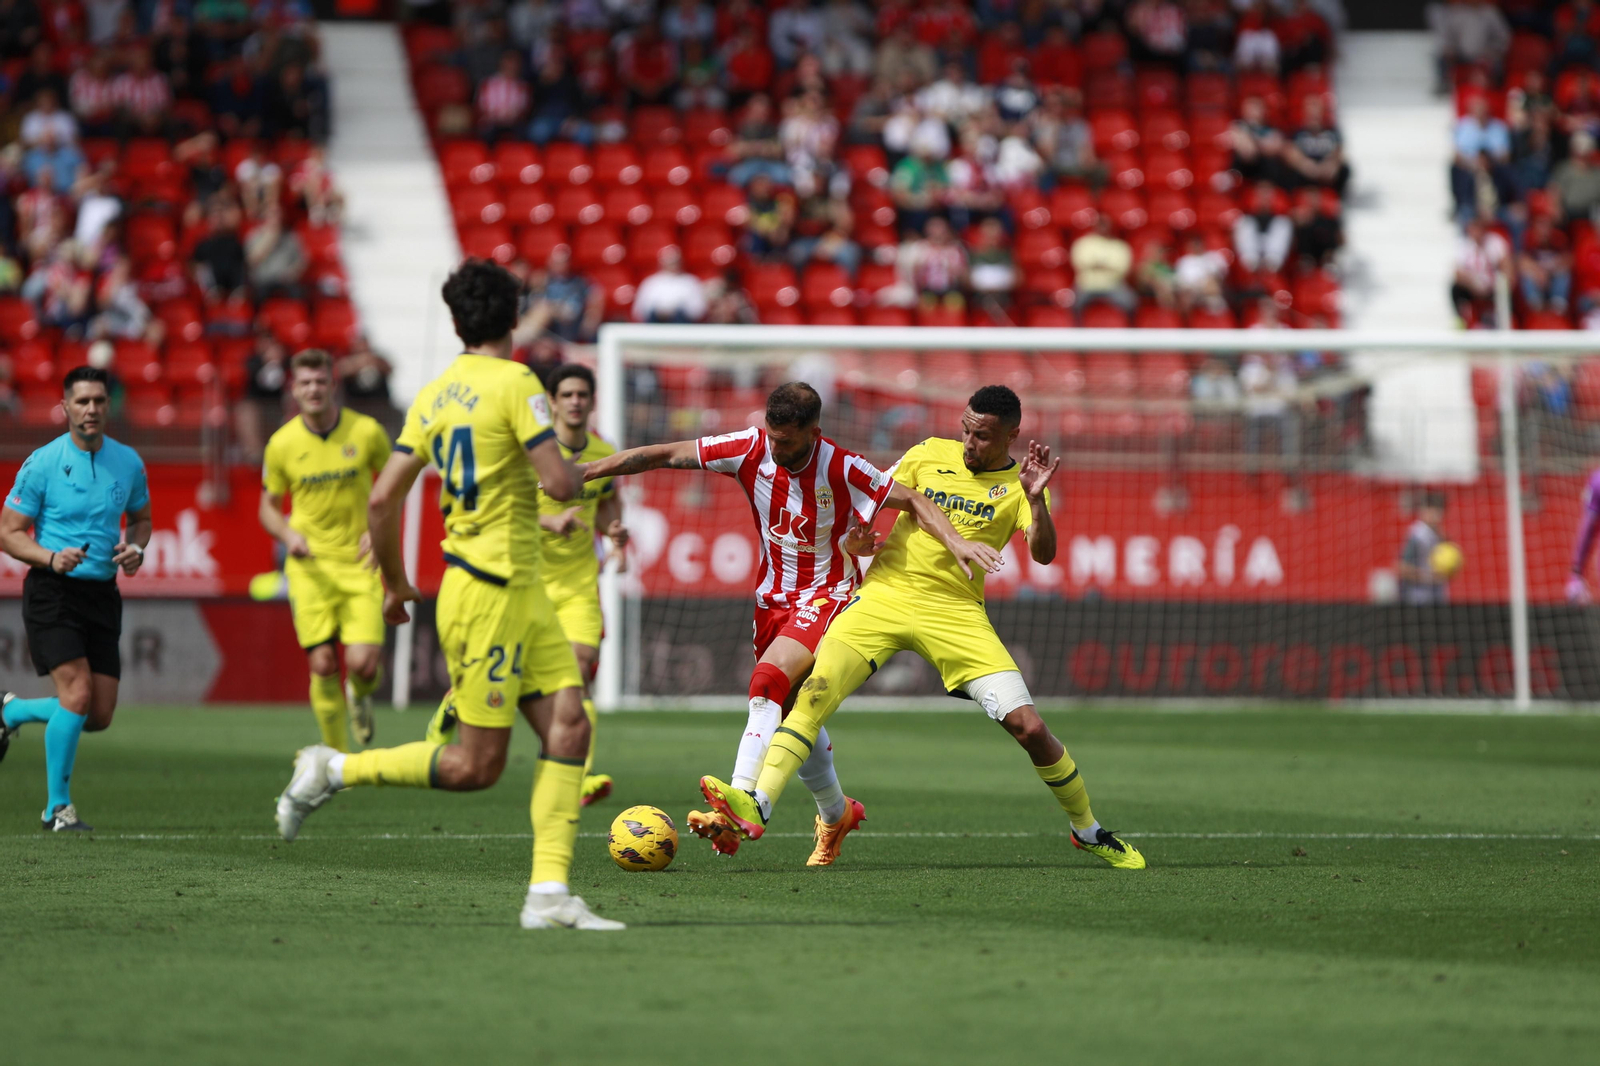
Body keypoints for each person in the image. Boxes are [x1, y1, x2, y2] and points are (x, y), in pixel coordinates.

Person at [272, 259, 620, 932]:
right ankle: (333, 769)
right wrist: (614, 465)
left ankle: (549, 895)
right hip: (491, 593)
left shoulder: (434, 395)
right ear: (513, 317)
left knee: (570, 724)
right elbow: (558, 483)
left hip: (515, 590)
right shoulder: (517, 383)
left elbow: (383, 499)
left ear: (457, 320)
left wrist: (396, 583)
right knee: (474, 767)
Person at [698, 386, 1145, 871]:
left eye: (983, 436)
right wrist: (854, 542)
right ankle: (758, 803)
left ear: (1011, 435)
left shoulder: (1023, 485)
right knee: (812, 695)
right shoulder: (928, 453)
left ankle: (1086, 829)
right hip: (883, 597)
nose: (970, 442)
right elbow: (868, 508)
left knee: (1030, 727)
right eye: (966, 430)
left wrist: (1036, 503)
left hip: (956, 612)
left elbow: (1043, 554)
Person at [578, 382, 1002, 864]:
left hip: (828, 594)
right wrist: (589, 470)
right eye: (772, 436)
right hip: (771, 601)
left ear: (813, 433)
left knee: (766, 682)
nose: (776, 448)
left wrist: (957, 542)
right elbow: (665, 454)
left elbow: (914, 500)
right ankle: (837, 812)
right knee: (794, 711)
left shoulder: (842, 465)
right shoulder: (749, 447)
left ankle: (741, 799)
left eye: (787, 440)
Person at [428, 364, 630, 808]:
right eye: (567, 394)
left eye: (582, 394)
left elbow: (607, 503)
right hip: (526, 581)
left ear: (592, 402)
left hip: (577, 586)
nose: (575, 402)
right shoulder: (530, 448)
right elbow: (498, 504)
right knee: (513, 676)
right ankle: (457, 700)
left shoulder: (603, 452)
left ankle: (578, 777)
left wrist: (614, 533)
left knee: (579, 670)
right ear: (551, 402)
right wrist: (547, 520)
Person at [0, 367, 152, 832]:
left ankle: (12, 711)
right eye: (82, 401)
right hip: (53, 591)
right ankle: (57, 809)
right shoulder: (43, 463)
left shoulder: (128, 462)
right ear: (65, 406)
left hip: (102, 593)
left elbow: (141, 519)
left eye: (99, 401)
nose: (91, 409)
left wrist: (136, 548)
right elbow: (8, 532)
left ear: (108, 406)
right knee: (77, 694)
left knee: (98, 714)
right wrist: (49, 557)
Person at [259, 349, 392, 753]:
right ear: (294, 389)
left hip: (359, 564)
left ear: (333, 384)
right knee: (322, 664)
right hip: (310, 567)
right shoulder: (282, 444)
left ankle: (360, 694)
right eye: (305, 383)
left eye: (320, 381)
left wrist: (379, 530)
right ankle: (337, 760)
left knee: (362, 665)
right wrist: (288, 535)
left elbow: (394, 485)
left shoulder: (366, 432)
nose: (313, 389)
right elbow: (268, 507)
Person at [1397, 493, 1451, 604]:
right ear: (1423, 511)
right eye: (1432, 510)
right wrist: (1430, 577)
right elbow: (1402, 568)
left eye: (1439, 510)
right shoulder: (1417, 535)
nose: (1436, 515)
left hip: (1437, 596)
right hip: (1417, 598)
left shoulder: (1440, 535)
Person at [632, 245, 707, 323]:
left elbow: (699, 310)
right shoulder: (650, 282)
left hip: (682, 324)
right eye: (669, 262)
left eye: (674, 262)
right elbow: (639, 310)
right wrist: (661, 312)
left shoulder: (690, 282)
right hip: (655, 324)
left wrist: (675, 311)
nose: (672, 265)